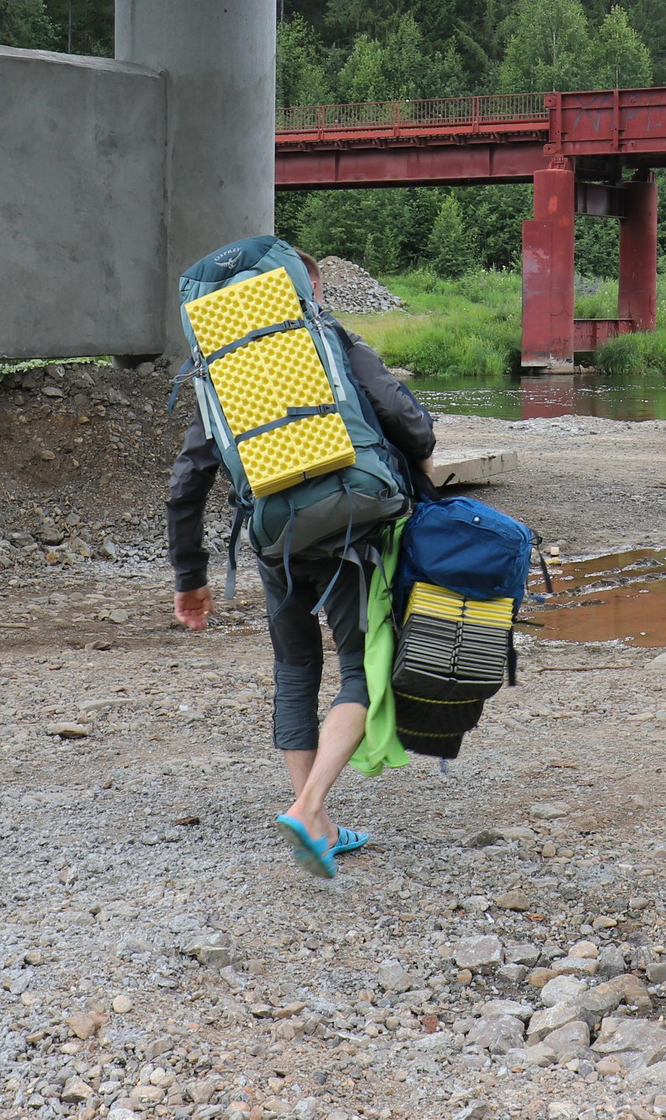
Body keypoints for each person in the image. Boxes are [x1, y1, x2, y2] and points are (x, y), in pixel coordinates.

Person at [167, 253, 436, 877]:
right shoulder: (328, 338)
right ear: (307, 285)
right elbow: (399, 413)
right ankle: (309, 806)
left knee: (293, 669)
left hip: (274, 538)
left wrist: (191, 576)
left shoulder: (221, 370)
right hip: (352, 529)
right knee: (361, 672)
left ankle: (316, 820)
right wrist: (421, 451)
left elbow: (187, 482)